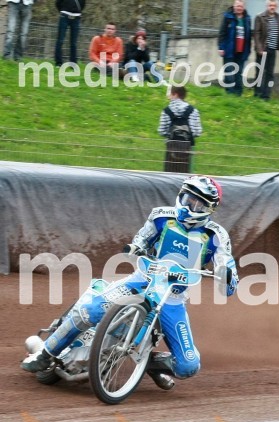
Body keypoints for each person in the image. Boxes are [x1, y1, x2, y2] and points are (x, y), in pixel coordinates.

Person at [22, 176, 239, 391]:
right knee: (90, 310)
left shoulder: (216, 236)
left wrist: (226, 276)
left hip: (172, 298)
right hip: (141, 279)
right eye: (187, 197)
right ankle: (45, 354)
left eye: (197, 202)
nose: (189, 205)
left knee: (188, 366)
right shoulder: (160, 216)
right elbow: (140, 240)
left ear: (209, 208)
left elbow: (228, 275)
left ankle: (148, 363)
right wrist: (136, 248)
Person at [158, 85, 203, 173]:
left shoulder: (166, 111)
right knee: (184, 174)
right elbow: (197, 132)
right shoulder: (193, 110)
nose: (168, 96)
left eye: (170, 94)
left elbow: (162, 131)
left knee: (169, 173)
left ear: (175, 94)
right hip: (187, 147)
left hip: (171, 146)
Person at [253, 0, 279, 100]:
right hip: (263, 50)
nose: (272, 7)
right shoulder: (260, 17)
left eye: (274, 5)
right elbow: (256, 33)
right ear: (267, 6)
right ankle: (257, 94)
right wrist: (260, 49)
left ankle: (266, 96)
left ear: (277, 7)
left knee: (270, 73)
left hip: (272, 50)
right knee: (260, 72)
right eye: (270, 5)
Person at [218, 0, 253, 95]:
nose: (239, 8)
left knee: (239, 73)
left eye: (241, 6)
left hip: (242, 50)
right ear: (234, 6)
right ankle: (229, 93)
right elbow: (222, 33)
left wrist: (248, 50)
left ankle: (238, 93)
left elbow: (249, 36)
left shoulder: (247, 19)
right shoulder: (227, 17)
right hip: (229, 50)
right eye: (237, 6)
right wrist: (221, 47)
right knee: (229, 72)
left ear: (244, 7)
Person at [54, 0, 85, 66]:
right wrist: (63, 10)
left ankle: (73, 63)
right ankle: (58, 62)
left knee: (74, 42)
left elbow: (82, 4)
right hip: (64, 16)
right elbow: (58, 3)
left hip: (76, 18)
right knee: (60, 40)